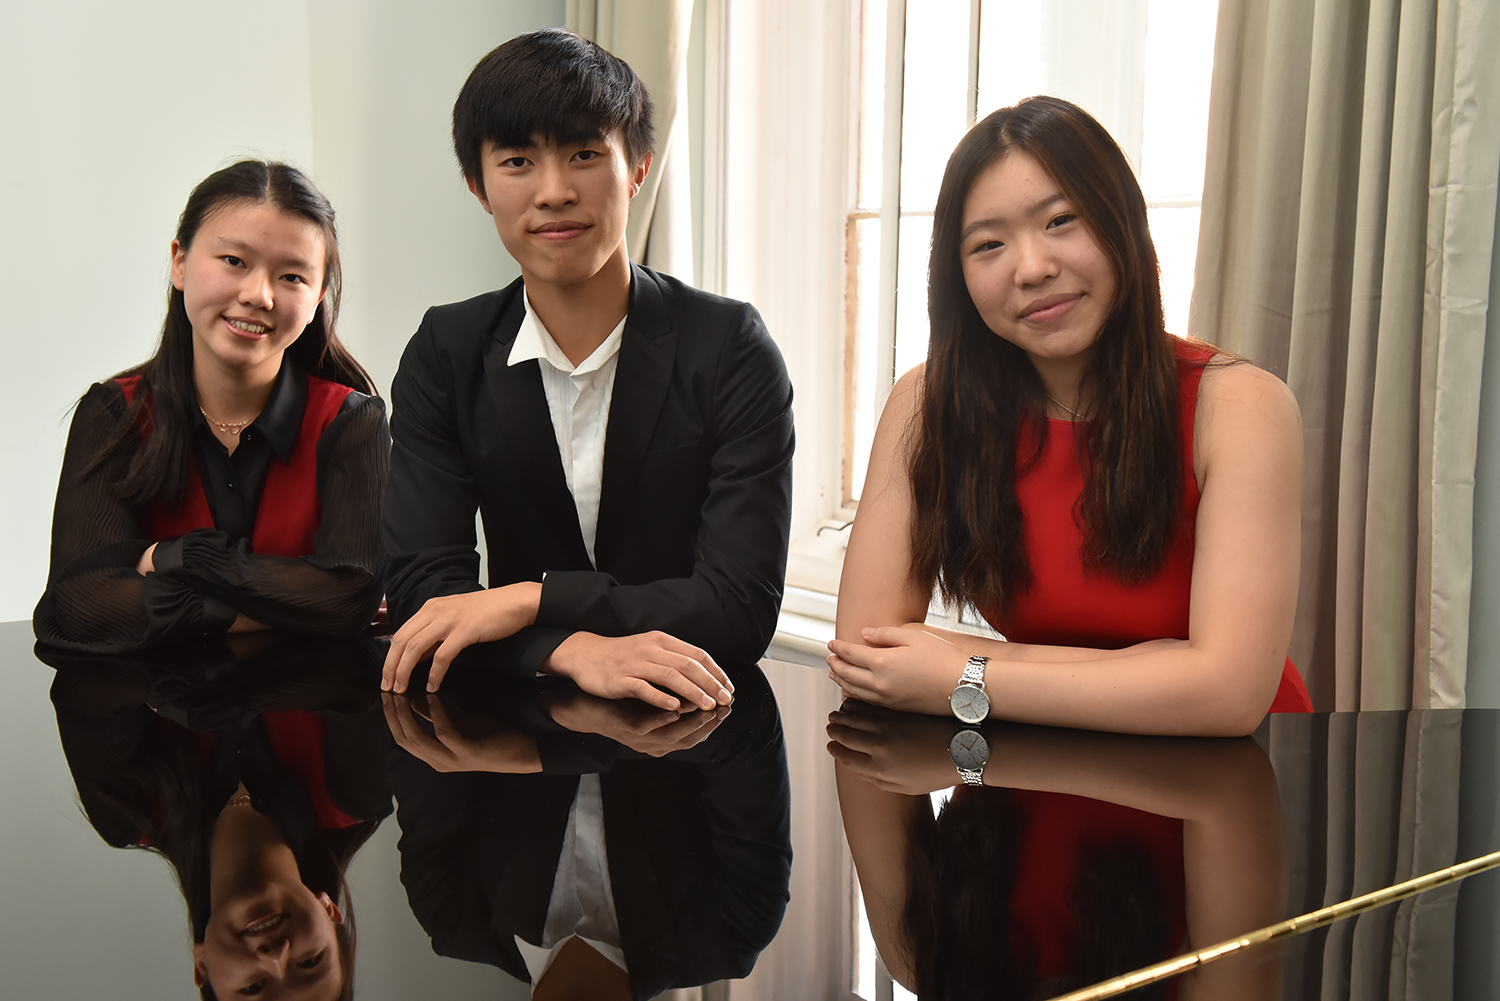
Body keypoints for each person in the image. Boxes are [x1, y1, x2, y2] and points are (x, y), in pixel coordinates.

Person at [828, 96, 1312, 736]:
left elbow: (1228, 694)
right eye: (989, 244)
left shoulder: (1241, 406)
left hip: (1239, 771)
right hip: (1035, 763)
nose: (1032, 269)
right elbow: (867, 652)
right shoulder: (927, 403)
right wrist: (1165, 670)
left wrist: (968, 671)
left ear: (1122, 223)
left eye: (1061, 220)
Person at [380, 29, 794, 710]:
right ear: (478, 187)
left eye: (584, 155)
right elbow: (424, 598)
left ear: (638, 170)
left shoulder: (729, 346)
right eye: (517, 161)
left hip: (697, 727)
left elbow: (739, 608)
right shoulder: (445, 351)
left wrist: (533, 599)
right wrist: (569, 649)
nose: (553, 192)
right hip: (520, 731)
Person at [34, 160, 389, 653]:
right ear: (179, 262)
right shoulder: (117, 413)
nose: (258, 295)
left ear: (317, 300)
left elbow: (347, 599)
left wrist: (179, 558)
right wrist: (282, 605)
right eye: (234, 261)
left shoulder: (351, 421)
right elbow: (81, 605)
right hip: (151, 700)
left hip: (314, 696)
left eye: (291, 276)